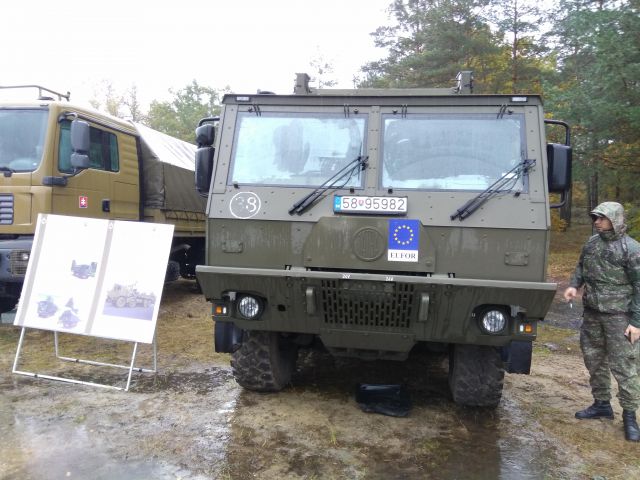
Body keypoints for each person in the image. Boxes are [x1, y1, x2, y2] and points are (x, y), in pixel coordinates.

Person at [563, 201, 640, 442]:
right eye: (595, 217)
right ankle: (602, 404)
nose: (597, 222)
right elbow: (581, 266)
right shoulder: (592, 243)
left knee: (625, 366)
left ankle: (630, 416)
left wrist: (636, 322)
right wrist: (574, 285)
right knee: (594, 359)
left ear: (615, 220)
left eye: (602, 218)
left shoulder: (631, 249)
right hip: (593, 314)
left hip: (620, 317)